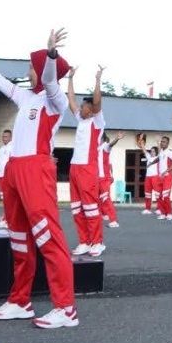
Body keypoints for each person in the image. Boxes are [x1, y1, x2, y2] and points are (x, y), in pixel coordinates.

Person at [0, 29, 80, 328]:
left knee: (48, 237)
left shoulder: (53, 101)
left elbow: (51, 81)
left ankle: (65, 308)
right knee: (19, 238)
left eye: (32, 66)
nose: (28, 71)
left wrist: (51, 54)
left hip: (36, 170)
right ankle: (20, 300)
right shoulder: (25, 97)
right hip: (15, 171)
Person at [65, 67, 107, 257]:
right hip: (74, 168)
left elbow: (97, 101)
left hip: (88, 169)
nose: (80, 108)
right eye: (81, 107)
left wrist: (98, 79)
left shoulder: (97, 122)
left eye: (84, 107)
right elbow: (71, 100)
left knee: (90, 208)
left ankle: (97, 242)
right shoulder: (80, 120)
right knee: (76, 207)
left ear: (91, 110)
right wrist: (70, 78)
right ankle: (84, 241)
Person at [99, 131, 122, 228]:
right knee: (98, 198)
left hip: (104, 178)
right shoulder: (96, 148)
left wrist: (117, 138)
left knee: (106, 198)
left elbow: (110, 144)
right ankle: (104, 215)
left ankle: (114, 221)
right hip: (97, 177)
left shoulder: (105, 146)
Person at [0, 129, 13, 230]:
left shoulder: (12, 147)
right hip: (1, 176)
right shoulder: (1, 148)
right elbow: (0, 163)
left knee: (7, 199)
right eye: (3, 137)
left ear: (10, 137)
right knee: (3, 199)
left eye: (6, 137)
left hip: (7, 176)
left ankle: (7, 220)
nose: (4, 138)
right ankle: (5, 217)